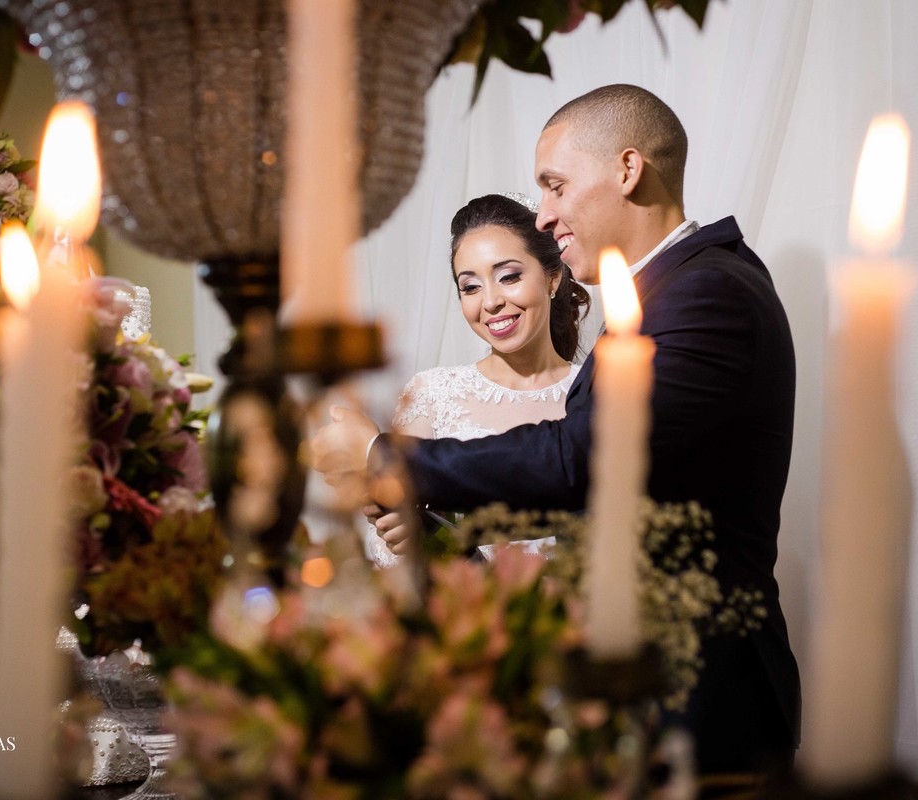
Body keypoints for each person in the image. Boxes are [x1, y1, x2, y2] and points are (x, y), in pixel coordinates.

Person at [314, 84, 800, 772]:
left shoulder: (707, 292)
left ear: (627, 170)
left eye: (555, 186)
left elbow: (582, 461)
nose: (543, 215)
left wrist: (379, 455)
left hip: (700, 696)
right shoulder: (665, 295)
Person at [365, 193, 589, 566]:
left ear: (553, 277)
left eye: (509, 277)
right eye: (470, 286)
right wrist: (415, 537)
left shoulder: (599, 390)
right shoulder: (431, 396)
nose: (490, 302)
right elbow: (387, 551)